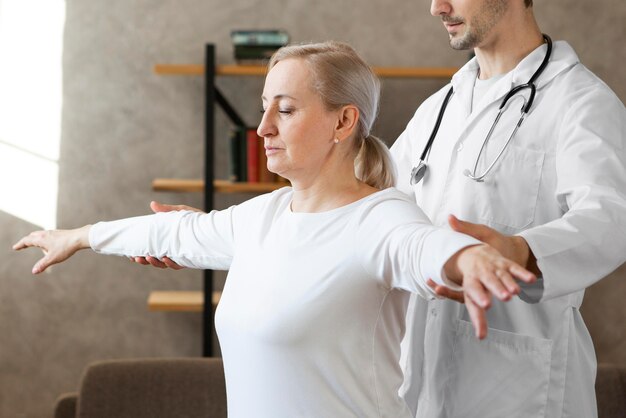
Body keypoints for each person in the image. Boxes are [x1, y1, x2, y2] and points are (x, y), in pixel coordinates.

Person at [13, 42, 535, 417]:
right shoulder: (263, 215)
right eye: (264, 109)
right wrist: (79, 236)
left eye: (284, 110)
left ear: (342, 122)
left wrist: (468, 259)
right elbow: (175, 233)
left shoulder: (380, 218)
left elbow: (420, 246)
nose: (263, 128)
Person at [390, 0, 626, 417]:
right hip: (421, 386)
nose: (436, 7)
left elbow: (611, 218)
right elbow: (383, 209)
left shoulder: (581, 102)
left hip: (524, 392)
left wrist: (521, 250)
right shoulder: (437, 109)